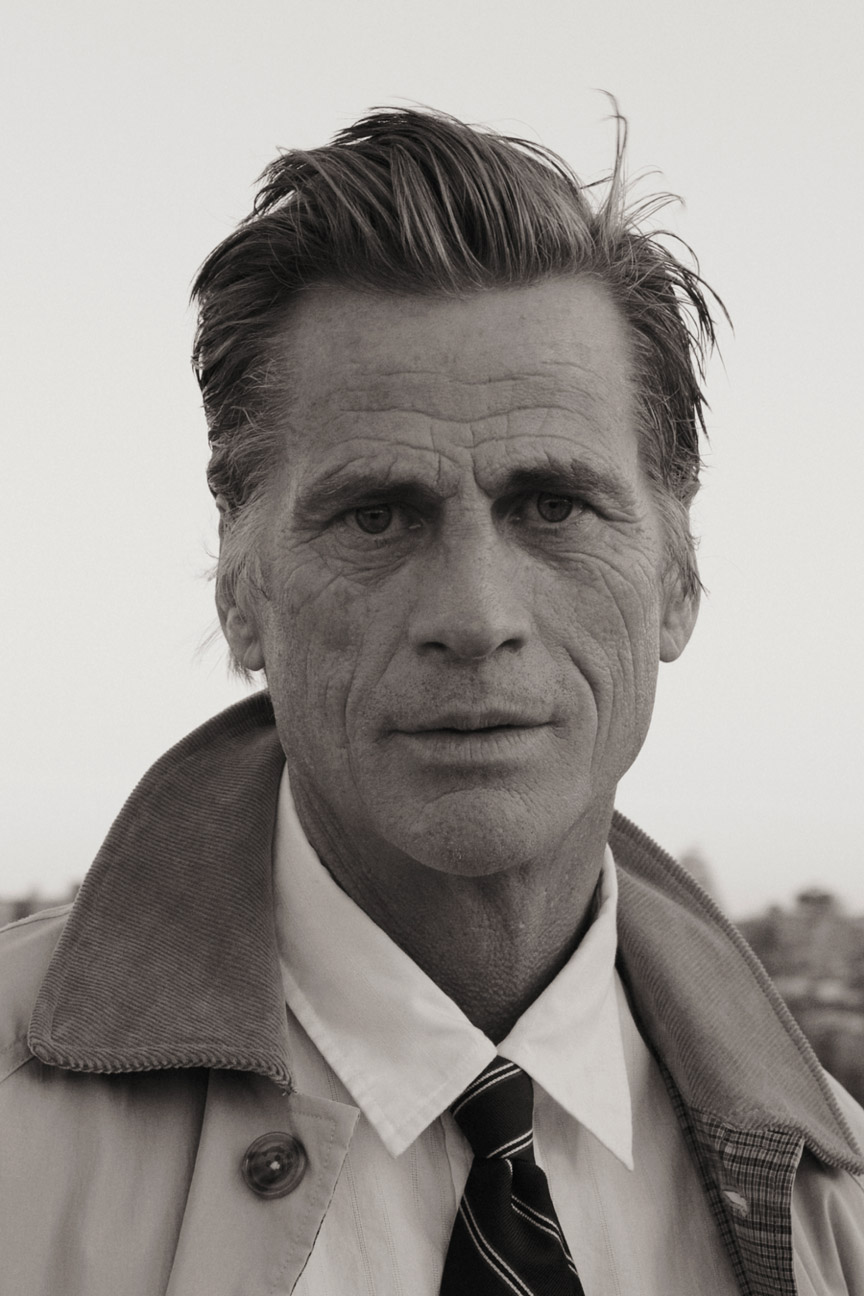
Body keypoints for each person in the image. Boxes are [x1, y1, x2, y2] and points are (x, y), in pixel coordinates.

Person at [1, 107, 862, 1296]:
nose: (475, 614)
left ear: (676, 582)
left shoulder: (837, 1202)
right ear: (242, 593)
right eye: (377, 515)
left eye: (554, 506)